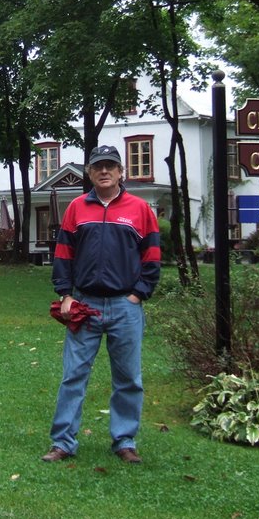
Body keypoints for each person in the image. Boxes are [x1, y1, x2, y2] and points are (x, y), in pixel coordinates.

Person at [42, 145, 162, 464]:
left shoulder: (140, 209)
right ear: (90, 173)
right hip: (85, 304)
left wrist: (138, 294)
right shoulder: (77, 209)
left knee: (128, 378)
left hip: (126, 306)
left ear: (121, 172)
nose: (104, 171)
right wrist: (65, 294)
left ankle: (124, 440)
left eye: (111, 166)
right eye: (98, 167)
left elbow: (151, 257)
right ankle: (63, 442)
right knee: (73, 375)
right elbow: (64, 255)